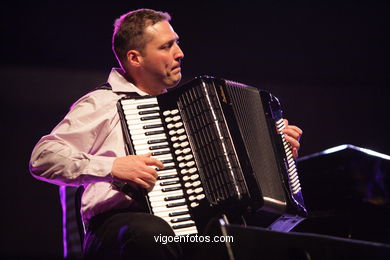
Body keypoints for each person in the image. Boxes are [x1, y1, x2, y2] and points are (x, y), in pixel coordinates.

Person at [29, 8, 303, 260]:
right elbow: (43, 157)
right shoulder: (103, 102)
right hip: (121, 229)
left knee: (251, 243)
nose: (180, 52)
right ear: (135, 58)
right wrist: (112, 166)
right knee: (152, 234)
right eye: (166, 46)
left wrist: (277, 154)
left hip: (190, 231)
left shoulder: (186, 108)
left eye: (176, 42)